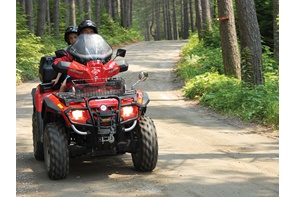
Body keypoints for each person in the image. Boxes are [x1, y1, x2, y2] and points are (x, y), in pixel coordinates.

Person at [52, 20, 99, 92]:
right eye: (85, 32)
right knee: (65, 86)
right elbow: (64, 59)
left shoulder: (97, 48)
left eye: (91, 32)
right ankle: (60, 100)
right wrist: (58, 63)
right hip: (77, 76)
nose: (88, 34)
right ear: (81, 35)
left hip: (95, 76)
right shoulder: (72, 50)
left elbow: (105, 60)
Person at [52, 26, 78, 92]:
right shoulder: (68, 51)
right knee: (63, 86)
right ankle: (60, 101)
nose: (73, 40)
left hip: (87, 73)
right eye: (71, 38)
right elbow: (62, 64)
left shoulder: (87, 49)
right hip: (73, 73)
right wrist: (57, 79)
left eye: (75, 37)